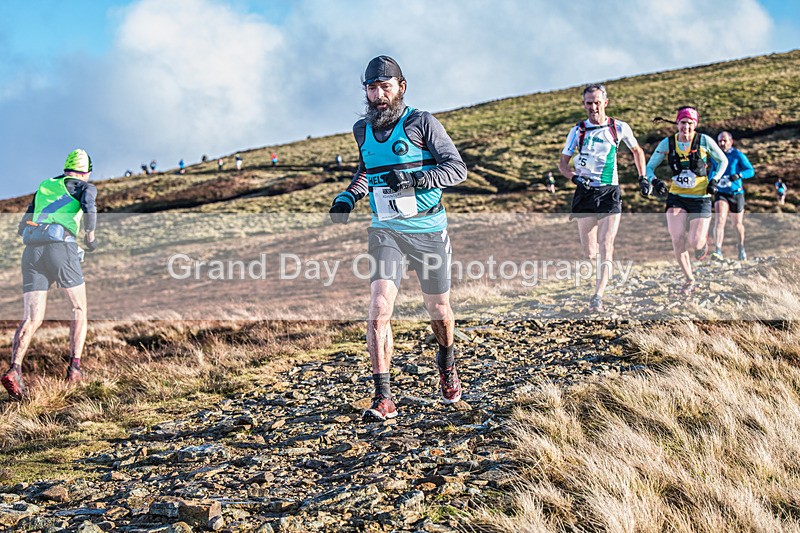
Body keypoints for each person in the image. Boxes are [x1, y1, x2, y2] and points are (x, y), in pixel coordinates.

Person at [329, 55, 467, 421]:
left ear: (400, 88)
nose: (378, 96)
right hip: (385, 231)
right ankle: (383, 397)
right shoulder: (361, 130)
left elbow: (457, 169)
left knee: (438, 311)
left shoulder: (422, 122)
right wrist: (347, 197)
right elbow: (366, 172)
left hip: (427, 231)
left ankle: (447, 361)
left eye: (385, 87)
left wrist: (417, 179)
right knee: (378, 308)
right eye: (371, 88)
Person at [1, 149, 99, 400]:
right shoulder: (85, 187)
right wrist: (89, 237)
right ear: (86, 170)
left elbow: (23, 223)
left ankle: (14, 369)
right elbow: (89, 208)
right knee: (78, 309)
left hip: (31, 252)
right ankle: (75, 369)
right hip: (60, 247)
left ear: (66, 168)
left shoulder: (45, 186)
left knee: (32, 318)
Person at [557, 83, 647, 313]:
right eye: (589, 103)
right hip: (585, 192)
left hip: (609, 191)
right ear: (584, 104)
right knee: (590, 252)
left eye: (597, 102)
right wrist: (574, 178)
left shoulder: (618, 127)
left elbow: (637, 151)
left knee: (606, 244)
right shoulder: (578, 131)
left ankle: (598, 294)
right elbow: (563, 164)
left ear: (605, 103)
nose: (593, 107)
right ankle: (601, 273)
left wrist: (643, 177)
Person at [644, 107, 727, 295]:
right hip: (677, 197)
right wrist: (655, 182)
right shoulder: (667, 143)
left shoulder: (704, 141)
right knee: (677, 238)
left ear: (695, 125)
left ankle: (702, 245)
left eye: (690, 123)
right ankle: (689, 278)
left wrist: (714, 180)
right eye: (682, 123)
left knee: (695, 241)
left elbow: (723, 162)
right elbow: (649, 167)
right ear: (677, 124)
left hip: (701, 197)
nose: (686, 127)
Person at [709, 131, 755, 261]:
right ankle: (717, 250)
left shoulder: (737, 155)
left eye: (724, 140)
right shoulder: (715, 156)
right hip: (721, 192)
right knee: (720, 220)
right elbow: (712, 171)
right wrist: (710, 182)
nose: (722, 143)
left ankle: (741, 247)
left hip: (736, 193)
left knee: (737, 224)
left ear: (731, 141)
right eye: (719, 141)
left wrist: (739, 175)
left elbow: (750, 170)